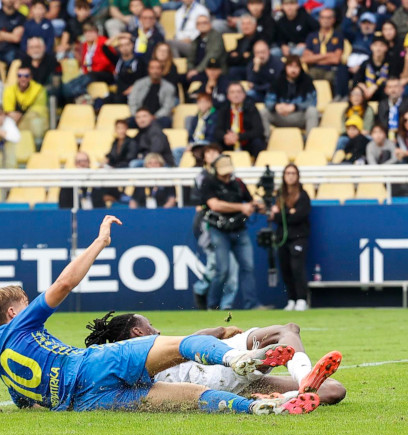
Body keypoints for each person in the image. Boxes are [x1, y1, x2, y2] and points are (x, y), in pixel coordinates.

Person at [0, 215, 321, 415]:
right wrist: (100, 242)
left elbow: (28, 404)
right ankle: (237, 359)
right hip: (92, 366)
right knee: (180, 345)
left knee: (190, 398)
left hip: (87, 402)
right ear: (13, 312)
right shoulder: (21, 325)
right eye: (25, 303)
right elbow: (64, 283)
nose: (30, 306)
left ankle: (256, 409)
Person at [85, 316, 344, 405]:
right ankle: (304, 375)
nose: (158, 330)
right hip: (217, 367)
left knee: (333, 390)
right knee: (286, 330)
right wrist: (222, 330)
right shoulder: (148, 349)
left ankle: (280, 397)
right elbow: (197, 339)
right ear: (138, 332)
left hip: (220, 387)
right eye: (150, 325)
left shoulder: (126, 370)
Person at [203, 155, 262, 311]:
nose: (226, 175)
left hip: (239, 229)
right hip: (219, 230)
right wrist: (241, 207)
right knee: (222, 270)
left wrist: (257, 206)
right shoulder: (209, 182)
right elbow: (214, 205)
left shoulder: (238, 183)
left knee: (248, 267)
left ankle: (251, 304)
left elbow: (250, 201)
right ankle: (212, 305)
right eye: (223, 173)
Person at [270, 164, 313, 312]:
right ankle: (291, 299)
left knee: (297, 268)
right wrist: (289, 212)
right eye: (287, 173)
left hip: (298, 237)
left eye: (293, 173)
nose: (290, 176)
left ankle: (302, 299)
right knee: (285, 269)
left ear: (297, 176)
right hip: (282, 237)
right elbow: (275, 217)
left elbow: (300, 215)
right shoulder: (279, 195)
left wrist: (284, 213)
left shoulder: (303, 195)